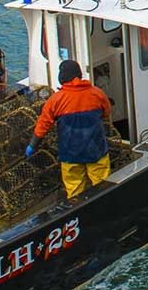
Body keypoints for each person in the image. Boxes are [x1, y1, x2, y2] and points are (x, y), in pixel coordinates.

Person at [30, 59, 114, 199]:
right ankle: (104, 205)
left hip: (70, 154)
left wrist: (32, 145)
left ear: (62, 77)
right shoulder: (97, 93)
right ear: (79, 75)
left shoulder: (55, 100)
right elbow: (106, 113)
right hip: (96, 150)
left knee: (74, 189)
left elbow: (43, 125)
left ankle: (78, 208)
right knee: (102, 186)